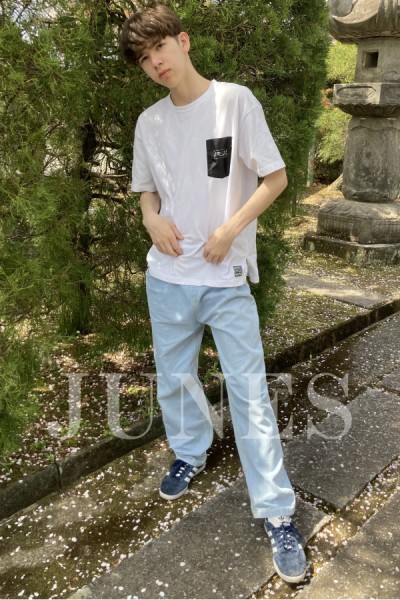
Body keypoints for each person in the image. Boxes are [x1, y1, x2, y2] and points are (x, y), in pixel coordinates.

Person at [121, 2, 307, 584]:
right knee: (175, 378)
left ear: (183, 41)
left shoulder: (234, 102)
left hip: (224, 280)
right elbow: (147, 191)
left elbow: (275, 178)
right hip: (167, 278)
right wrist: (150, 217)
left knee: (249, 393)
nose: (155, 62)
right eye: (144, 58)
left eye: (160, 48)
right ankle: (191, 451)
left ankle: (277, 512)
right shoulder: (149, 123)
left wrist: (230, 230)